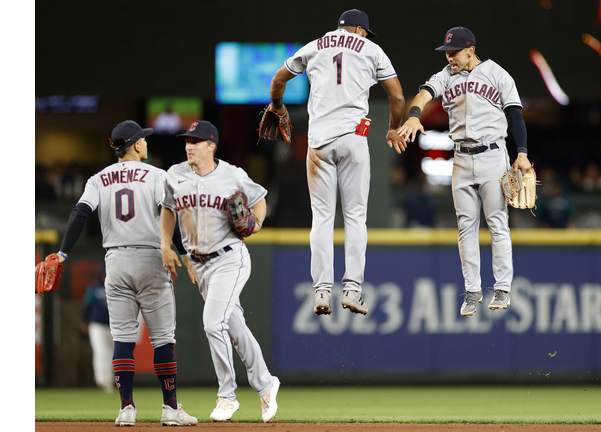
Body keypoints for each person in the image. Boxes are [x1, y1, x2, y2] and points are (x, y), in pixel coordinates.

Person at [53, 120, 197, 426]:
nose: (146, 143)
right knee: (162, 339)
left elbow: (80, 213)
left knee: (122, 338)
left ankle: (126, 408)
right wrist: (182, 253)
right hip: (150, 258)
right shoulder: (157, 175)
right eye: (142, 139)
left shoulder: (98, 178)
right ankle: (170, 408)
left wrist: (63, 252)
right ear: (134, 145)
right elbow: (171, 214)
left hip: (114, 262)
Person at [267, 9, 406, 316]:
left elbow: (278, 79)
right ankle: (353, 290)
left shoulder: (314, 46)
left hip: (319, 143)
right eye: (365, 32)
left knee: (322, 218)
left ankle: (320, 291)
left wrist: (277, 106)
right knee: (355, 216)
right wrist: (394, 127)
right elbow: (396, 98)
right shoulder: (370, 49)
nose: (365, 36)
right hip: (354, 137)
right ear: (359, 29)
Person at [397, 27, 532, 317]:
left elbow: (515, 115)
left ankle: (503, 288)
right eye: (446, 52)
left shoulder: (497, 74)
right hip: (460, 158)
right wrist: (413, 115)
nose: (449, 57)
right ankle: (472, 291)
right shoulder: (446, 75)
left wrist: (521, 153)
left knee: (497, 222)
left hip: (493, 156)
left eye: (454, 51)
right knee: (465, 227)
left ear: (470, 49)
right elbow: (423, 94)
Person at [160, 120, 281, 423]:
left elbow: (259, 200)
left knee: (214, 323)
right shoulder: (175, 175)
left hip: (230, 258)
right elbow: (167, 210)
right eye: (187, 140)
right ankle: (266, 384)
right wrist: (167, 246)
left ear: (211, 146)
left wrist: (258, 223)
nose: (189, 145)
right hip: (200, 264)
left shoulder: (232, 174)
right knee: (235, 327)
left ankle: (227, 395)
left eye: (196, 141)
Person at [81, 264, 114, 393]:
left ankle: (111, 381)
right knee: (101, 352)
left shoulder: (118, 287)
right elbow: (87, 306)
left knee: (113, 354)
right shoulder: (93, 288)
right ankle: (102, 380)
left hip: (113, 326)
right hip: (97, 325)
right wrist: (84, 322)